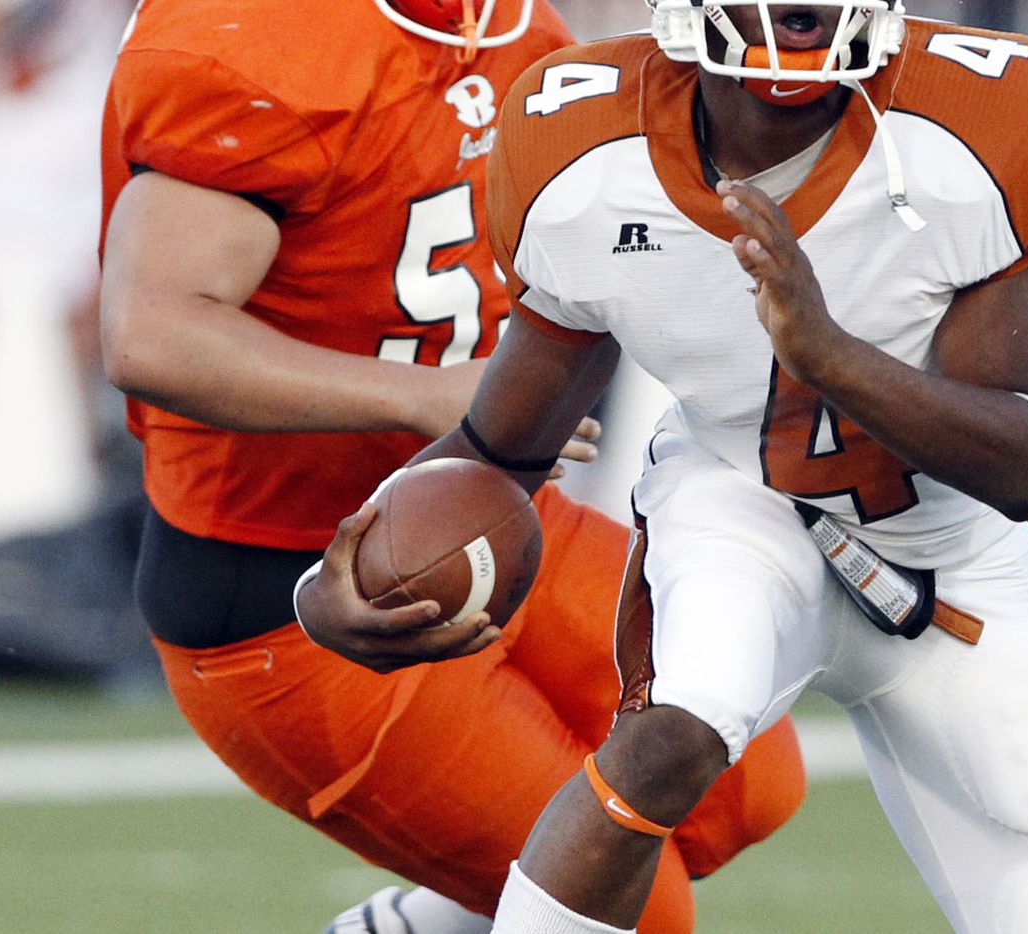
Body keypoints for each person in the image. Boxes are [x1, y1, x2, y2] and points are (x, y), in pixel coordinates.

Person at [298, 1, 1028, 932]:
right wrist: (332, 586)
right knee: (677, 725)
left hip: (950, 554)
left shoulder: (982, 115)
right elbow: (501, 449)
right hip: (742, 503)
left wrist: (833, 357)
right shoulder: (583, 146)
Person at [96, 2, 806, 932]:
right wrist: (423, 397)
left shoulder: (525, 35)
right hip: (286, 578)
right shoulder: (262, 45)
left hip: (487, 514)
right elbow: (152, 335)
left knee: (742, 781)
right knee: (638, 912)